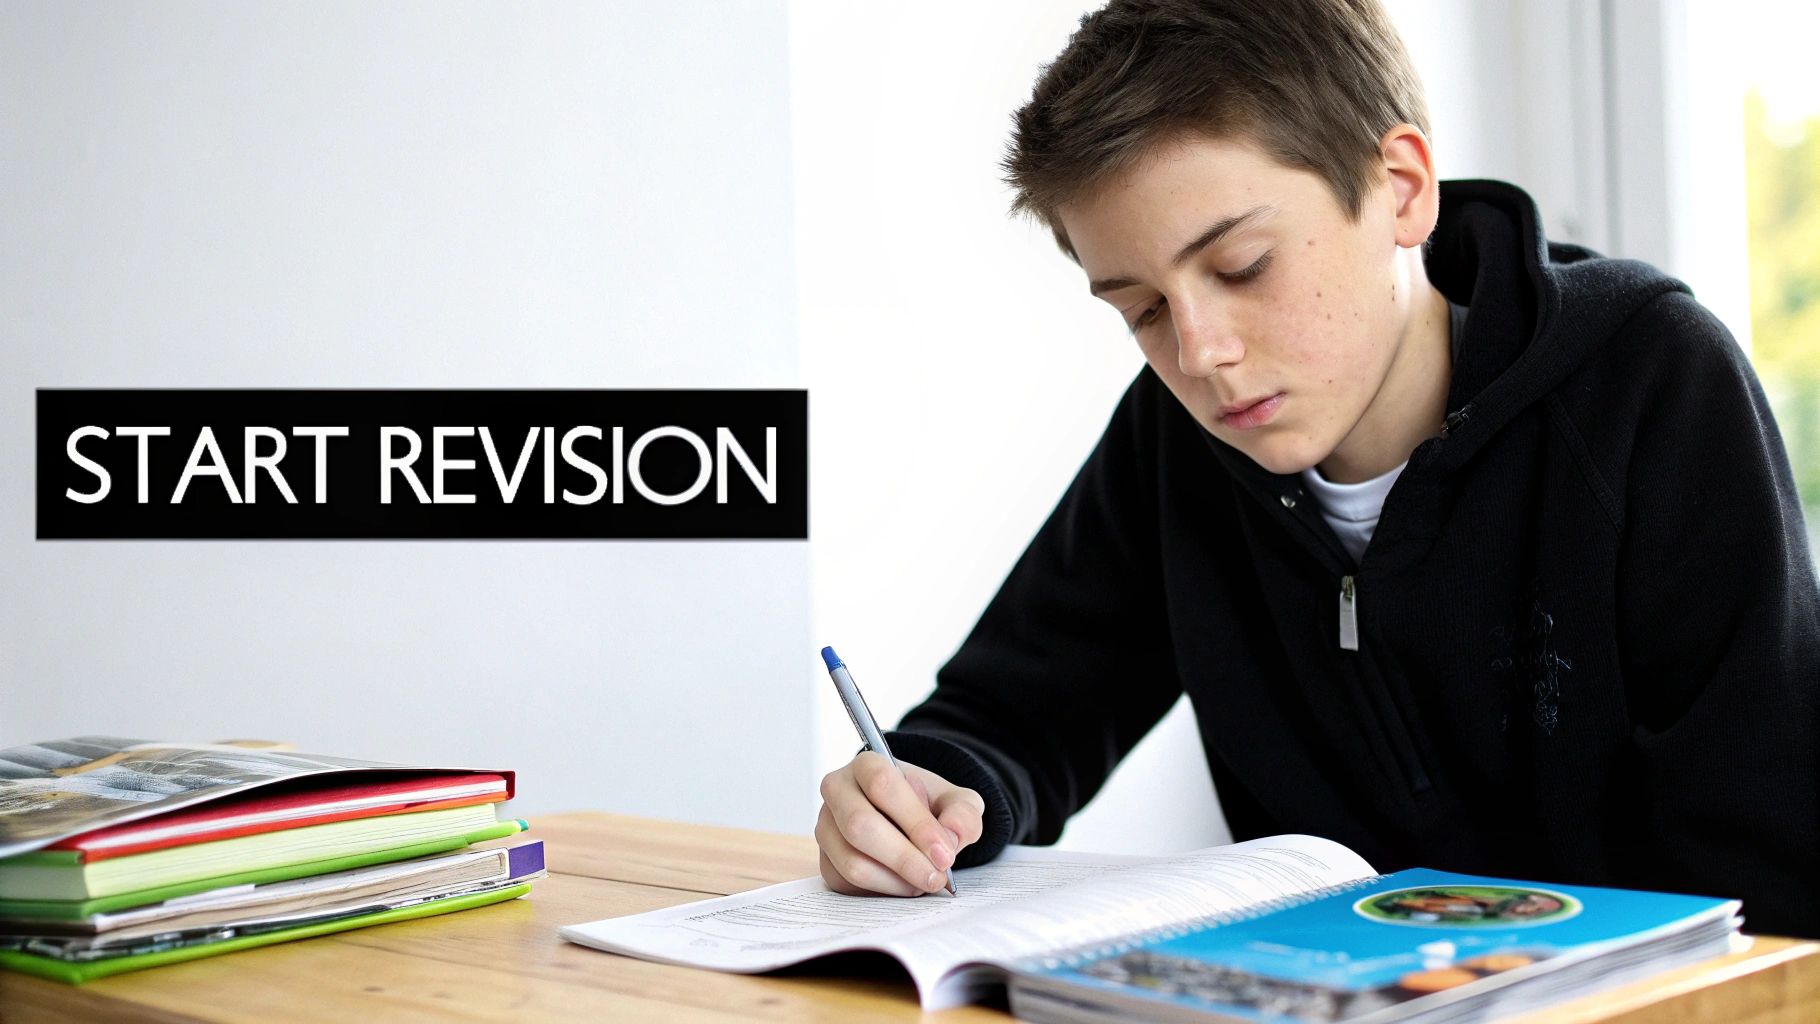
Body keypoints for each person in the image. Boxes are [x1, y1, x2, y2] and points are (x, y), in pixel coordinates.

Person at [812, 0, 1820, 936]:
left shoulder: (1649, 384)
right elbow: (1008, 718)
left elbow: (1765, 876)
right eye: (1141, 310)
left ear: (1401, 190)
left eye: (1242, 266)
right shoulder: (1180, 441)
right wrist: (923, 795)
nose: (1198, 354)